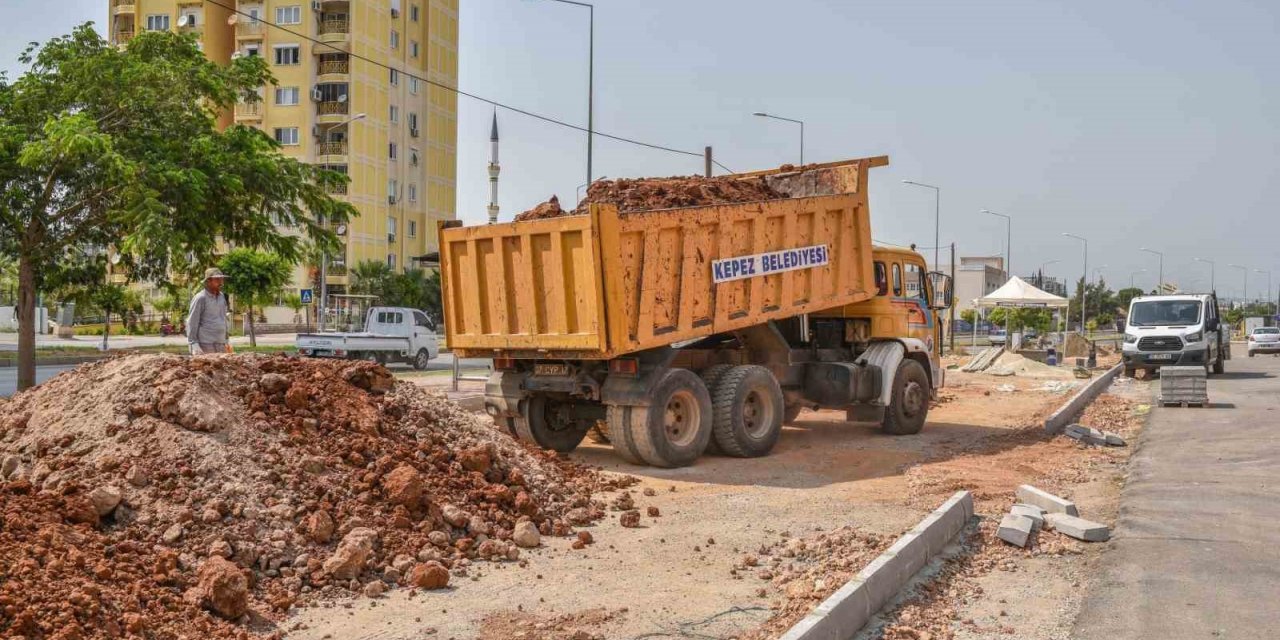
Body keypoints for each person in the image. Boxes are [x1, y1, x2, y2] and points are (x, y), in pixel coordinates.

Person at [187, 268, 230, 355]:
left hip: (220, 343)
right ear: (208, 281)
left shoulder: (221, 297)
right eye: (217, 279)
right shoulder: (200, 298)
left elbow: (223, 318)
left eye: (221, 279)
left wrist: (226, 340)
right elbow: (192, 322)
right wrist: (193, 344)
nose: (221, 283)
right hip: (205, 344)